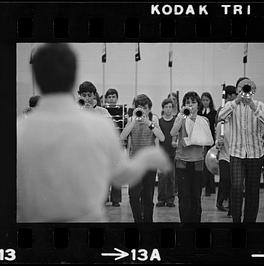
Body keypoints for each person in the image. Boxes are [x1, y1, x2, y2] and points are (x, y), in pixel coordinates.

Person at [17, 43, 171, 222]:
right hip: (84, 217)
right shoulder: (98, 125)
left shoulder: (21, 128)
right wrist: (148, 158)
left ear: (36, 76)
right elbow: (121, 174)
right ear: (73, 78)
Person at [218, 77, 264, 223]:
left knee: (253, 190)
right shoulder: (231, 105)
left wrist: (253, 107)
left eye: (248, 87)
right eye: (242, 88)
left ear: (253, 90)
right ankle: (236, 219)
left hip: (255, 153)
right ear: (237, 90)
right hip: (236, 153)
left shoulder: (259, 105)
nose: (245, 91)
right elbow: (220, 116)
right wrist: (236, 101)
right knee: (236, 186)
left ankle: (250, 222)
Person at [120, 94, 166, 223]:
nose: (142, 110)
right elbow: (122, 136)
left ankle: (148, 222)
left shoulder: (154, 119)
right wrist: (133, 121)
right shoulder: (131, 120)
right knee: (133, 196)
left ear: (149, 109)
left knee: (148, 196)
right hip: (134, 163)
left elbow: (162, 137)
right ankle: (137, 221)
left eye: (144, 107)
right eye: (139, 107)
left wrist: (148, 122)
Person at [170, 91, 207, 223]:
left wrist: (193, 141)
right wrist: (180, 117)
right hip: (182, 161)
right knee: (183, 196)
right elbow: (173, 132)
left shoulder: (203, 120)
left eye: (193, 102)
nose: (190, 105)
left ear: (198, 105)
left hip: (198, 161)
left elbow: (207, 140)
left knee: (196, 196)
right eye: (187, 103)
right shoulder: (180, 118)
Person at [215, 85, 237, 214]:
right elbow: (217, 143)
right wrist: (219, 142)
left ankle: (232, 206)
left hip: (235, 156)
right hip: (224, 156)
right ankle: (220, 201)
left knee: (234, 183)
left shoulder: (236, 125)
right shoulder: (220, 125)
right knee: (225, 179)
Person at [156, 98, 176, 208]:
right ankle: (161, 199)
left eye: (170, 107)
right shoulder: (159, 121)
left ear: (172, 109)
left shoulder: (175, 121)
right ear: (163, 108)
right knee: (162, 177)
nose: (168, 109)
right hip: (162, 153)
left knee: (171, 177)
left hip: (173, 153)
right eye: (166, 107)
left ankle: (170, 199)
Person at [104, 88, 122, 207]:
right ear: (106, 99)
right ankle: (104, 198)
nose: (111, 99)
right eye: (109, 97)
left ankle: (116, 199)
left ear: (117, 98)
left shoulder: (121, 110)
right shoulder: (102, 111)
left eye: (113, 97)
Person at [199, 92, 217, 196]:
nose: (205, 102)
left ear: (210, 101)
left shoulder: (213, 113)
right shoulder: (199, 112)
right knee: (202, 164)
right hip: (201, 140)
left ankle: (210, 188)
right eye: (203, 100)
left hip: (210, 140)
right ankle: (203, 184)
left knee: (210, 163)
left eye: (207, 100)